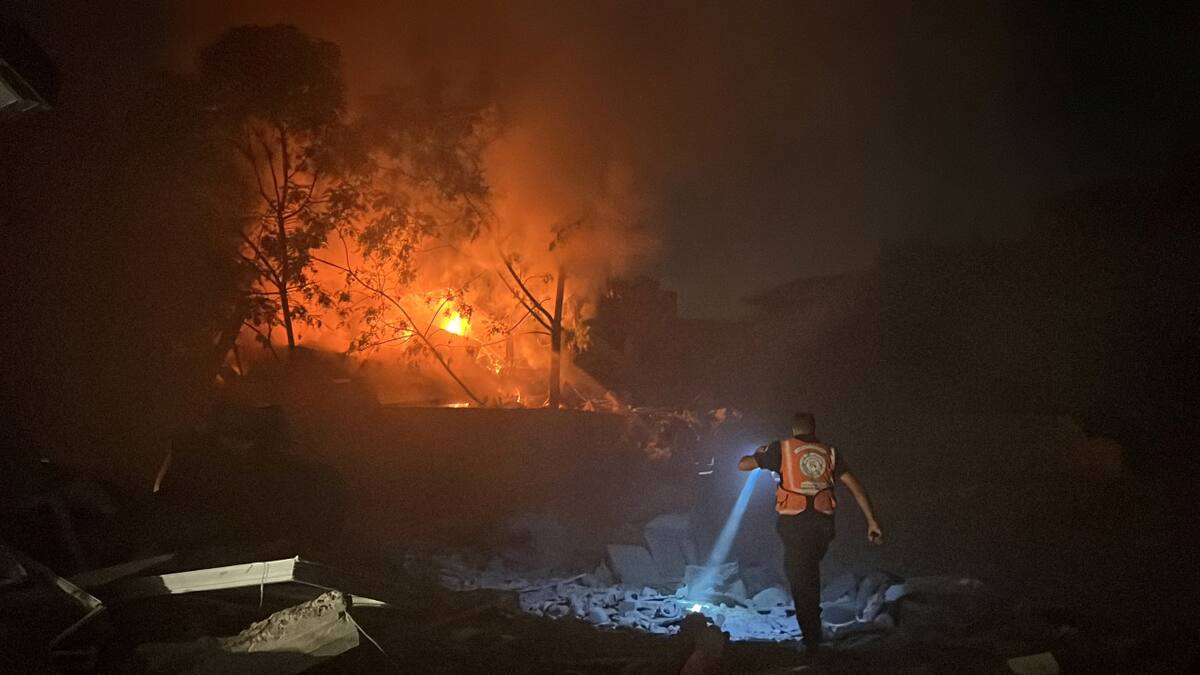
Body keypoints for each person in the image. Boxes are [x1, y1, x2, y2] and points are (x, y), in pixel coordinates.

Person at [738, 411, 882, 653]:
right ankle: (813, 629)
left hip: (796, 525)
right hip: (823, 526)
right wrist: (872, 522)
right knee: (808, 575)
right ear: (813, 429)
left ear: (794, 430)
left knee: (800, 580)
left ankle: (811, 640)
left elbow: (743, 465)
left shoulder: (781, 449)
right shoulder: (830, 452)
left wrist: (760, 454)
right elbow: (857, 488)